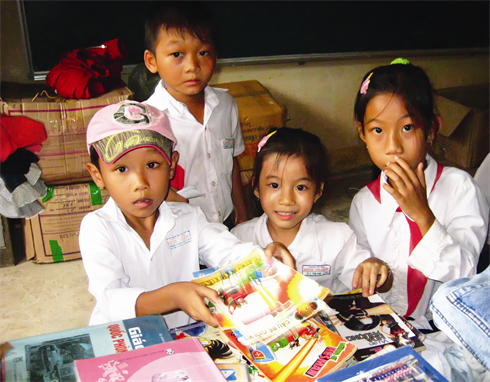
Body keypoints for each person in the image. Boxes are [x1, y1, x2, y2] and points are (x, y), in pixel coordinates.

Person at [79, 100, 294, 330]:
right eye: (122, 169)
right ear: (97, 175)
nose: (140, 183)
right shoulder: (97, 228)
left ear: (171, 166)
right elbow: (111, 299)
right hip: (122, 339)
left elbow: (228, 251)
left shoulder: (189, 217)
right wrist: (174, 295)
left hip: (185, 335)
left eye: (152, 165)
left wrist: (263, 257)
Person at [349, 59, 489, 330]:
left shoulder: (461, 189)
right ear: (362, 134)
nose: (393, 146)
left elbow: (467, 278)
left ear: (432, 129)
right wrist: (377, 275)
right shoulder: (363, 202)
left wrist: (422, 215)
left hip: (449, 333)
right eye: (377, 130)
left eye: (407, 127)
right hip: (386, 329)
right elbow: (363, 276)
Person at [231, 127, 392, 297]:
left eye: (300, 187)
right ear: (256, 187)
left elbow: (371, 282)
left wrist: (377, 271)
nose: (287, 200)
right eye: (274, 185)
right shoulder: (238, 239)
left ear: (317, 191)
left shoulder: (338, 238)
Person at [143, 0, 247, 228]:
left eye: (203, 52)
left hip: (226, 222)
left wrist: (242, 212)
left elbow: (232, 162)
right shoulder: (149, 120)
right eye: (177, 54)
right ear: (152, 61)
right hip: (180, 231)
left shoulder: (225, 104)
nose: (192, 65)